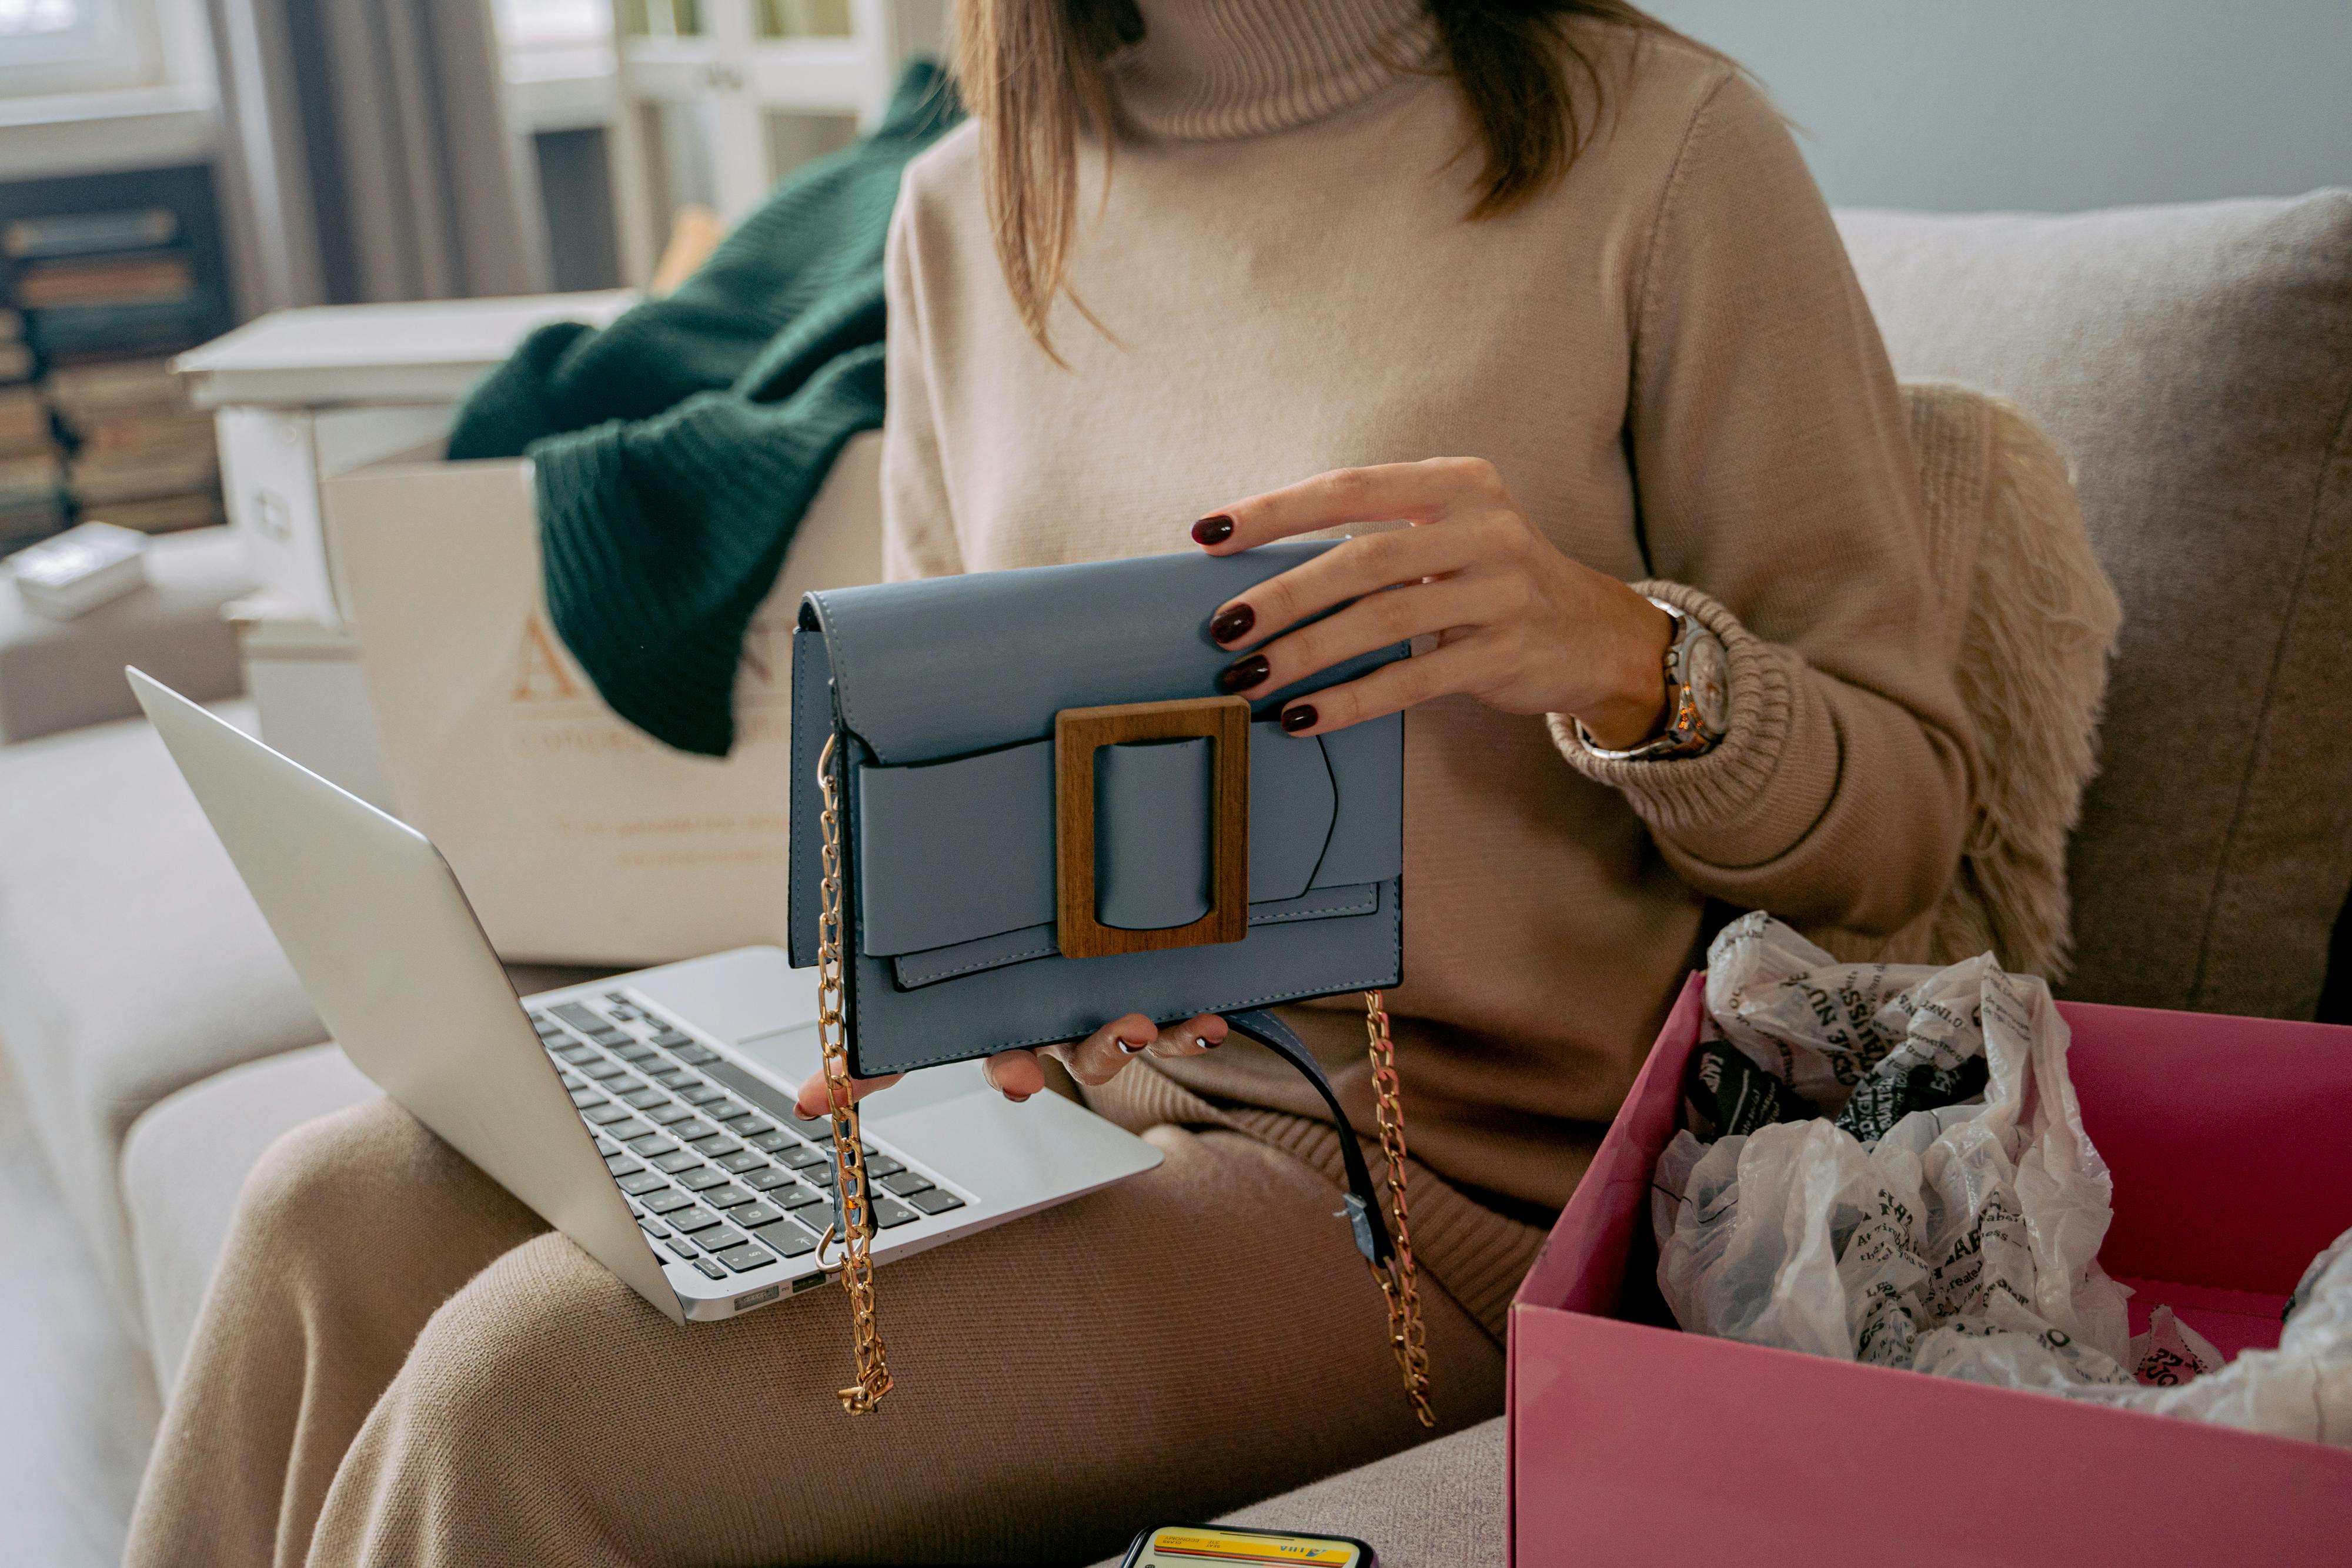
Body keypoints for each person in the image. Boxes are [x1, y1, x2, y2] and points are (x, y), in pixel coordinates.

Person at [126, 1, 1971, 1563]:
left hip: (1432, 1196)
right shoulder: (968, 202)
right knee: (321, 1216)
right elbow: (932, 762)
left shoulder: (1663, 154)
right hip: (1058, 1107)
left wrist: (1616, 651)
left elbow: (1908, 819)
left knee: (511, 1401)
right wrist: (941, 972)